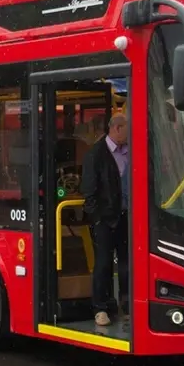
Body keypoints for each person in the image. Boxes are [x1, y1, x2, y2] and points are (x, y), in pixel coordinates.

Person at [81, 113, 130, 327]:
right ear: (117, 128)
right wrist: (99, 219)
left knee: (128, 264)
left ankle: (126, 305)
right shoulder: (96, 154)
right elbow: (89, 192)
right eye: (127, 129)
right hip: (105, 219)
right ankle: (100, 307)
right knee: (103, 264)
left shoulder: (130, 152)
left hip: (126, 216)